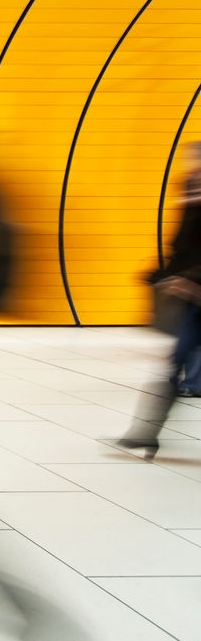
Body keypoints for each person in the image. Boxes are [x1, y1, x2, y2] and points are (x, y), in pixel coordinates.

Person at [119, 142, 201, 457]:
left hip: (196, 290)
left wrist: (190, 278)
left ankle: (146, 432)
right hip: (195, 300)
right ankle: (146, 432)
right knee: (176, 360)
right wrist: (161, 273)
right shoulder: (191, 201)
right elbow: (181, 246)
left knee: (180, 360)